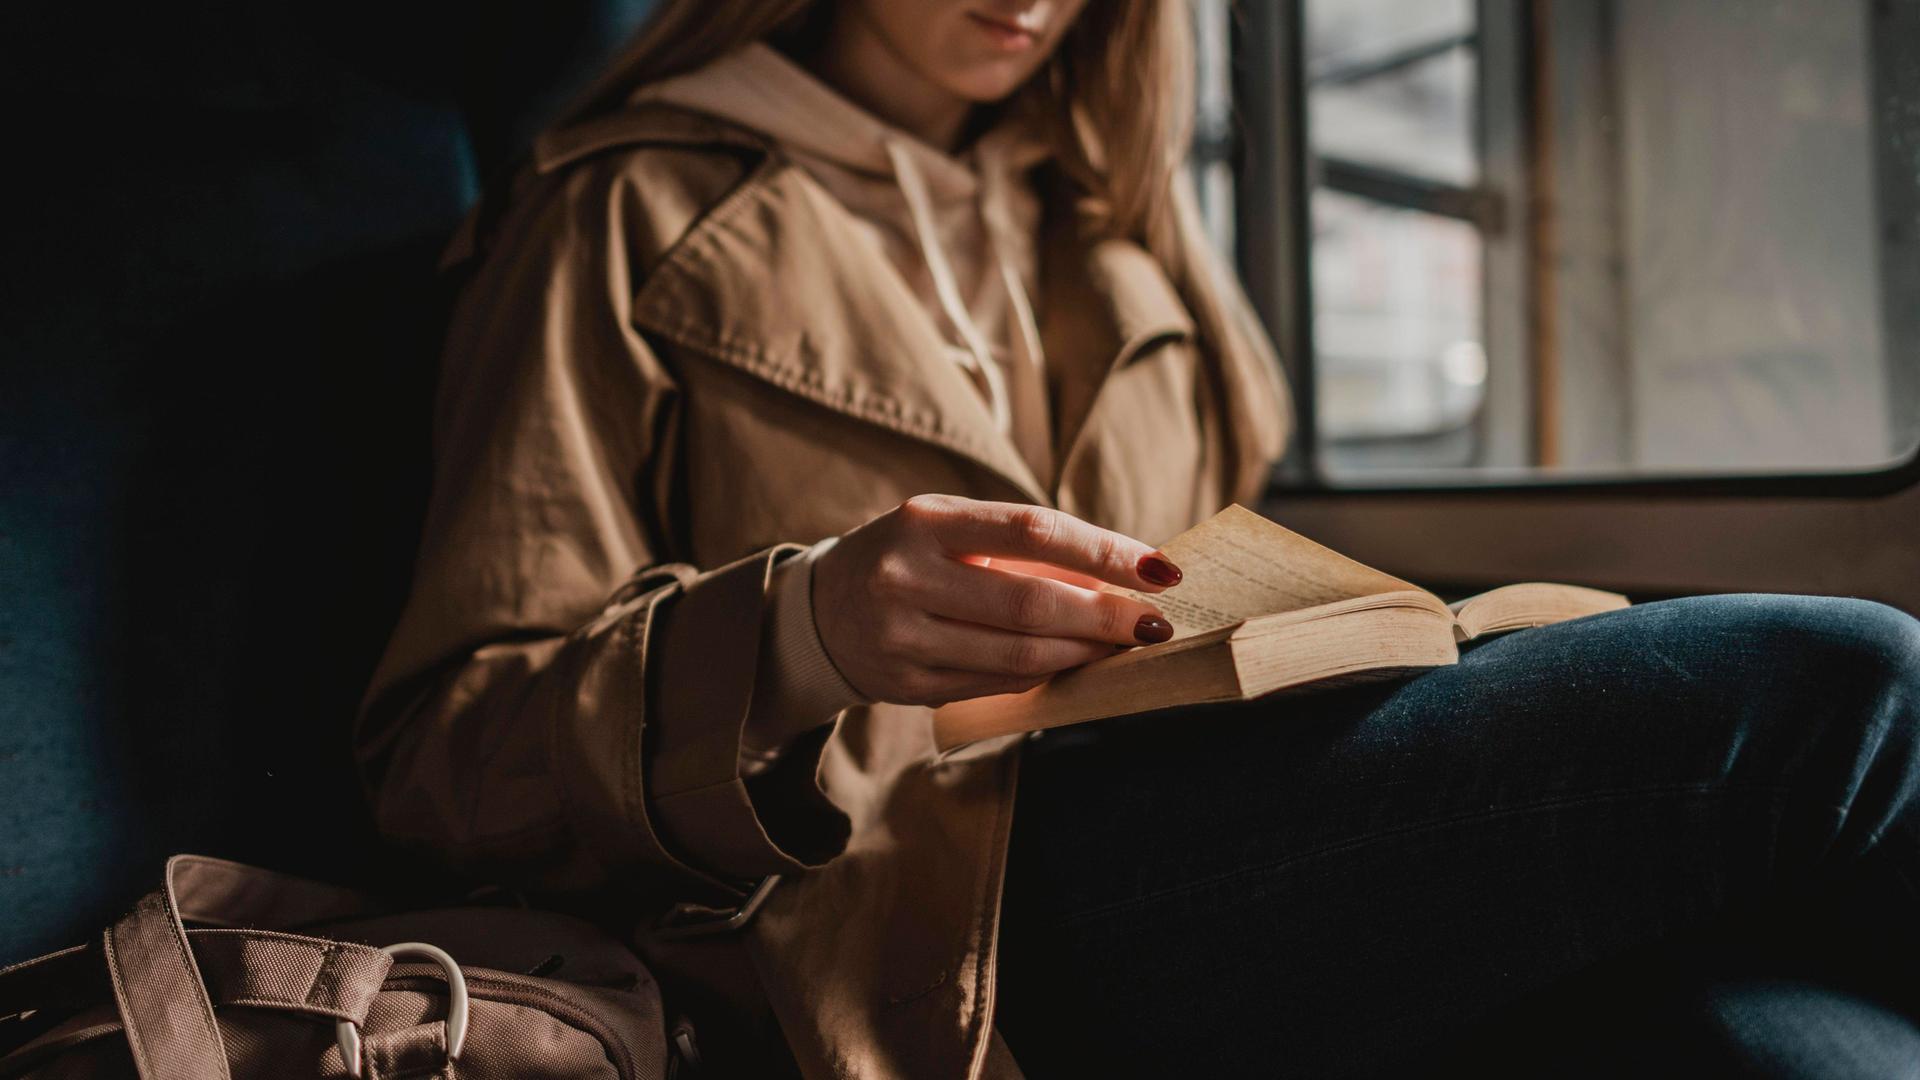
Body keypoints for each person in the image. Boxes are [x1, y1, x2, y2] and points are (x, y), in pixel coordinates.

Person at [355, 1, 1920, 1076]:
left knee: (1777, 1036)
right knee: (1840, 686)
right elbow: (445, 756)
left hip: (1191, 820)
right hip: (902, 912)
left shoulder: (1126, 247)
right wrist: (803, 636)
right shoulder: (618, 216)